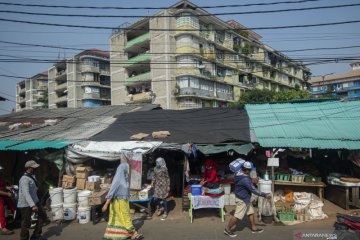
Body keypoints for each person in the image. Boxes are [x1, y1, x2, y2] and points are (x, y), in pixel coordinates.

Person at [224, 161, 271, 238]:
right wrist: (264, 195)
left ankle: (254, 228)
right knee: (237, 216)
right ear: (247, 170)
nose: (250, 172)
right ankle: (227, 229)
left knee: (250, 212)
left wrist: (252, 180)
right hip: (242, 199)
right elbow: (254, 190)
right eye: (250, 170)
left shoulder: (238, 173)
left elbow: (247, 182)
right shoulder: (245, 179)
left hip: (243, 197)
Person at [102, 153, 143, 240]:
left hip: (123, 201)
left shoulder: (124, 179)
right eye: (126, 169)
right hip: (118, 202)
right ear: (122, 170)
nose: (128, 171)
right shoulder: (118, 180)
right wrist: (106, 204)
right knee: (125, 217)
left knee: (121, 218)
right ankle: (134, 233)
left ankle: (118, 234)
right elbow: (112, 191)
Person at [18, 160, 47, 240]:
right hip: (26, 203)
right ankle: (24, 238)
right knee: (26, 223)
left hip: (35, 200)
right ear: (28, 168)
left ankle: (36, 235)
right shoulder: (24, 179)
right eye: (33, 167)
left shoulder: (32, 176)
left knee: (43, 215)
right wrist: (33, 205)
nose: (35, 169)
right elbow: (26, 193)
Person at [0, 165, 15, 235]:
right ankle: (3, 227)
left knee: (12, 205)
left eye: (1, 171)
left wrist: (9, 187)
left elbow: (3, 186)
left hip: (4, 195)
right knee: (1, 210)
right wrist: (7, 194)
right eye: (0, 171)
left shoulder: (1, 178)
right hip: (1, 196)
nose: (1, 172)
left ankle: (16, 218)